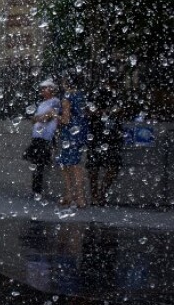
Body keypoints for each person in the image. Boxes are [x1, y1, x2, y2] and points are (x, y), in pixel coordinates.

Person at [86, 86, 125, 206]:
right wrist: (102, 112)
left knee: (114, 166)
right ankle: (95, 196)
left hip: (113, 136)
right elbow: (87, 111)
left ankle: (102, 193)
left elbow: (122, 109)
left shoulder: (117, 93)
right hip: (96, 135)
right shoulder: (93, 93)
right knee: (93, 167)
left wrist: (110, 111)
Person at [56, 73, 90, 208]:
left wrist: (53, 115)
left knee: (68, 164)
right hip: (81, 131)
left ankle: (73, 196)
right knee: (74, 163)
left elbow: (65, 119)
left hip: (69, 133)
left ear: (66, 83)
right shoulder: (81, 95)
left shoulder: (67, 96)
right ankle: (76, 197)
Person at [24, 79, 60, 200]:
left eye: (45, 88)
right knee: (35, 164)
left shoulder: (55, 101)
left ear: (51, 89)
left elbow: (48, 117)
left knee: (41, 165)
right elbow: (36, 119)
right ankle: (36, 190)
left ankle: (38, 191)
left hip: (46, 138)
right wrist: (39, 118)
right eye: (42, 88)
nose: (42, 91)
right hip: (37, 138)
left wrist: (38, 118)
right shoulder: (41, 104)